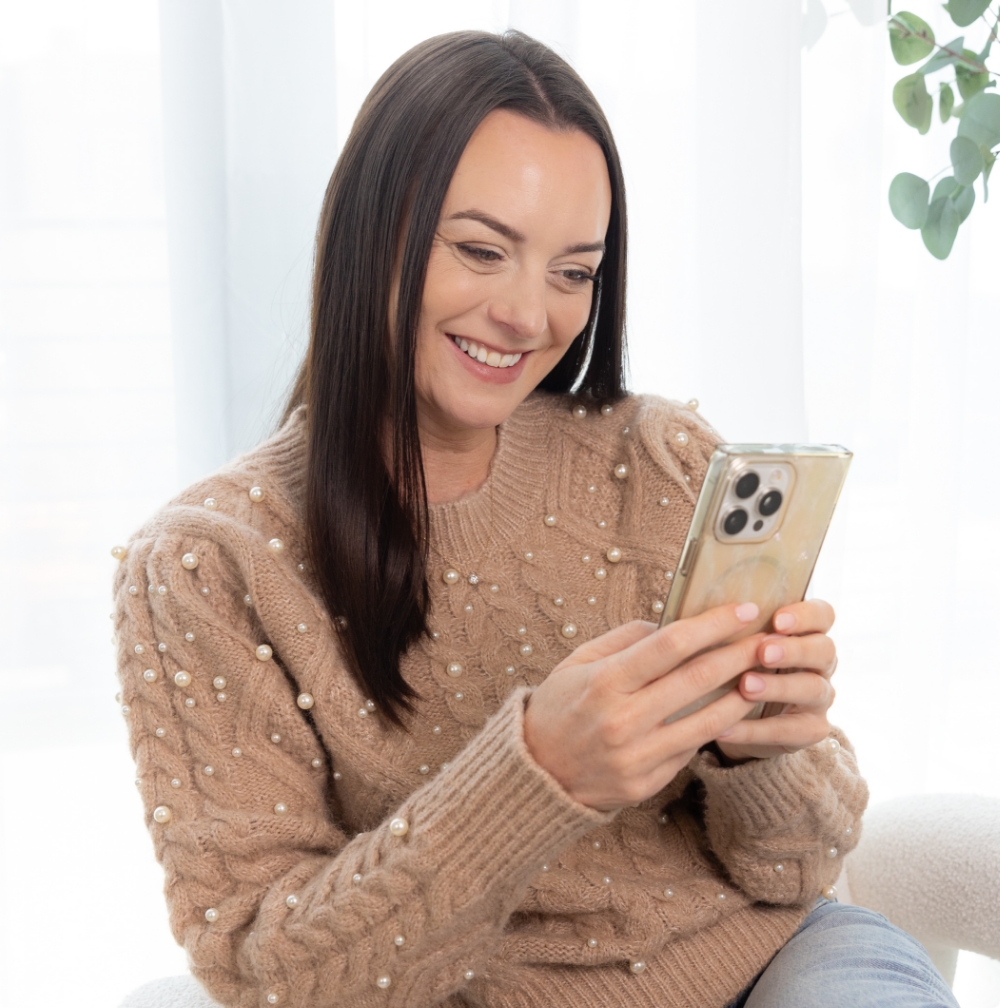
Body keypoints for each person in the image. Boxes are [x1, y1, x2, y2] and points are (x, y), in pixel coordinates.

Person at [112, 30, 957, 1008]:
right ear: (369, 231)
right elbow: (272, 977)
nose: (527, 315)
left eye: (574, 272)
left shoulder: (663, 455)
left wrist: (755, 748)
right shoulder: (205, 564)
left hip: (794, 964)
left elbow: (792, 870)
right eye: (481, 250)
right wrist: (539, 774)